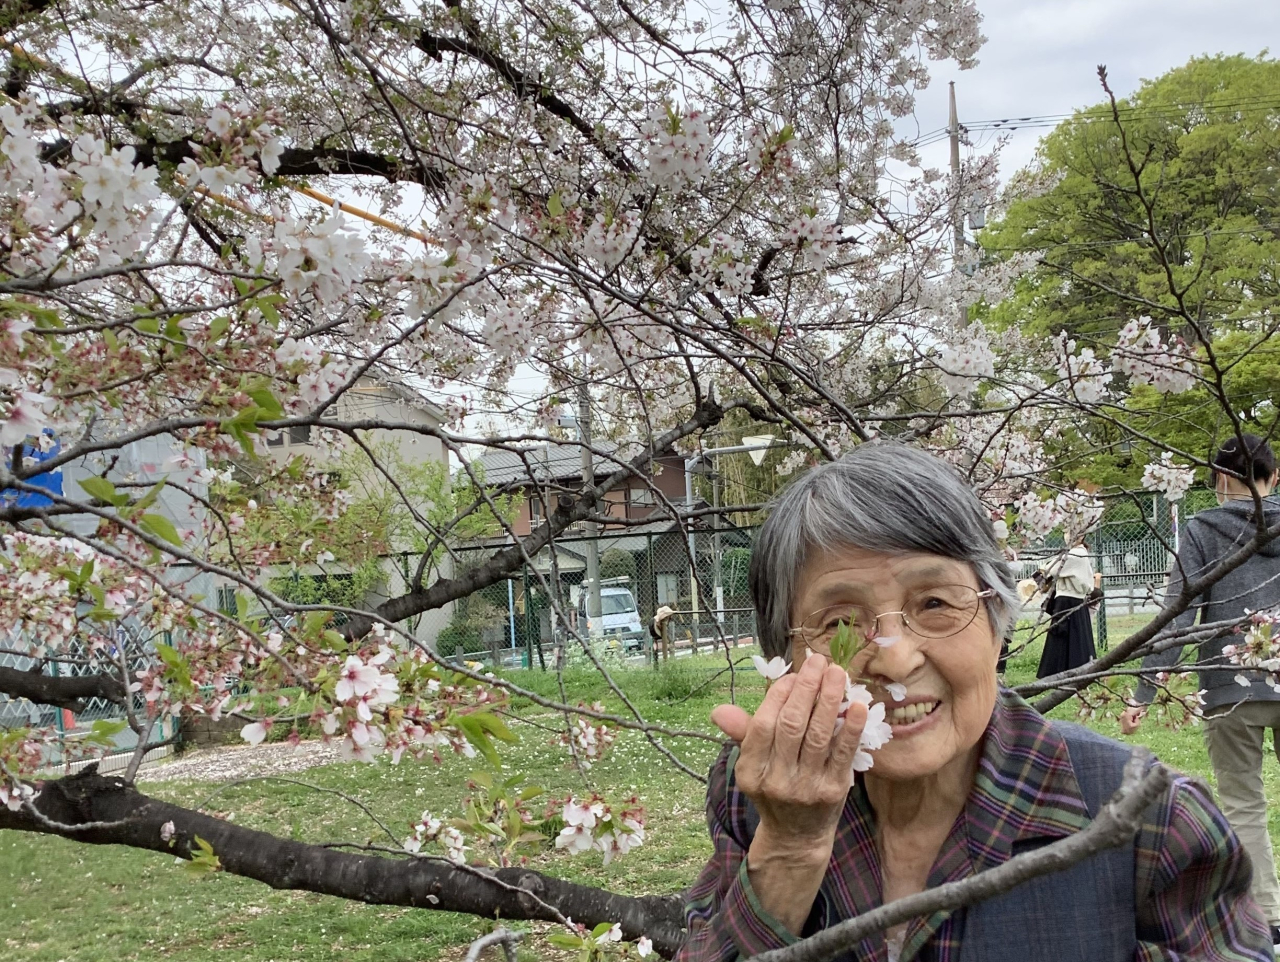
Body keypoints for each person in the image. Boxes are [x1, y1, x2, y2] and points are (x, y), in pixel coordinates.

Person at [678, 445, 1269, 962]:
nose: (896, 659)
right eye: (838, 622)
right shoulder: (759, 795)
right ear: (784, 654)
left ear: (996, 623)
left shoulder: (1151, 821)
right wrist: (790, 847)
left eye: (935, 602)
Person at [1121, 433, 1280, 945]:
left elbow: (1177, 615)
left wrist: (1143, 693)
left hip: (1230, 685)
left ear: (1218, 479)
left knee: (1243, 802)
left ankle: (1269, 917)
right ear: (1272, 477)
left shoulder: (1205, 527)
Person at [1035, 539, 1098, 678]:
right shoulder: (1078, 553)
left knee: (1062, 634)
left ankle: (1055, 673)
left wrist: (1036, 580)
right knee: (1077, 636)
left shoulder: (1075, 553)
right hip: (1074, 599)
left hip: (1067, 600)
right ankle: (1079, 670)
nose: (1066, 536)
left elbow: (1050, 569)